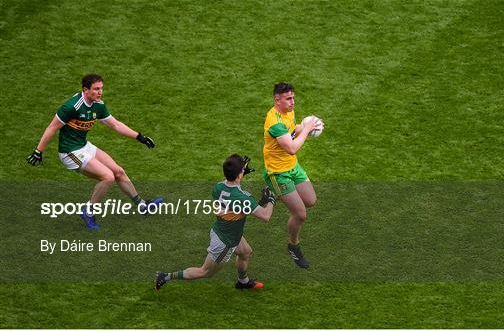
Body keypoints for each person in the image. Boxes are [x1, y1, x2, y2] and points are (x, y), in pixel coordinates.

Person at [26, 74, 163, 230]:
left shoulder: (98, 105)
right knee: (107, 177)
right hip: (70, 153)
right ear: (85, 90)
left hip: (83, 146)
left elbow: (116, 125)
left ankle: (142, 206)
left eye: (101, 88)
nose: (100, 92)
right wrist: (39, 151)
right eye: (96, 89)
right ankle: (88, 212)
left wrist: (140, 137)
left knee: (118, 171)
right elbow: (52, 127)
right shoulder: (72, 106)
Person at [155, 154, 275, 290]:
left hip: (224, 231)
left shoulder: (218, 187)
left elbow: (238, 204)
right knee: (205, 272)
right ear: (239, 175)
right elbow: (265, 217)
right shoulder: (243, 197)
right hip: (226, 242)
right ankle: (165, 276)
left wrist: (240, 174)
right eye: (242, 170)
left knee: (245, 252)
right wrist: (271, 200)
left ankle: (243, 281)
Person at [262, 82, 319, 269]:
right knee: (300, 214)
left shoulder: (288, 112)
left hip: (293, 168)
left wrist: (303, 128)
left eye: (293, 97)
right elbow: (292, 148)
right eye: (288, 99)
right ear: (276, 100)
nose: (293, 102)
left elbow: (293, 132)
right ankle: (293, 246)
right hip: (278, 174)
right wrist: (308, 129)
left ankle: (270, 194)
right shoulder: (274, 121)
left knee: (310, 200)